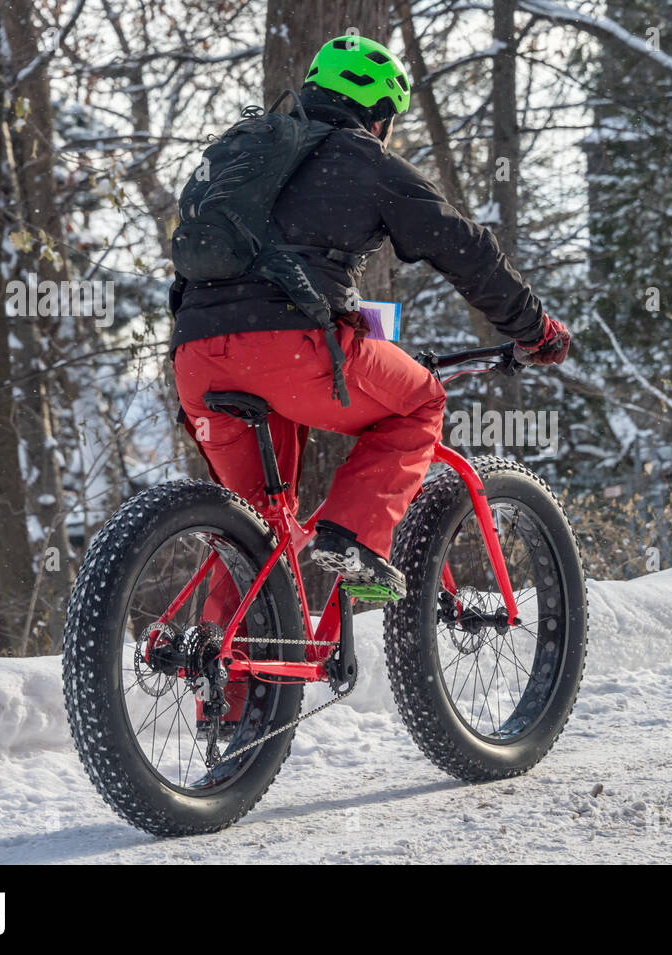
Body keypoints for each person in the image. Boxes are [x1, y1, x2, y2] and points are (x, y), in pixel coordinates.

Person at [170, 34, 570, 604]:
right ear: (379, 114)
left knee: (254, 531)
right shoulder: (366, 159)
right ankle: (353, 537)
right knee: (421, 400)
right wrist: (535, 329)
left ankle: (229, 669)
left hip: (197, 359)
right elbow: (466, 248)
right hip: (295, 348)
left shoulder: (239, 154)